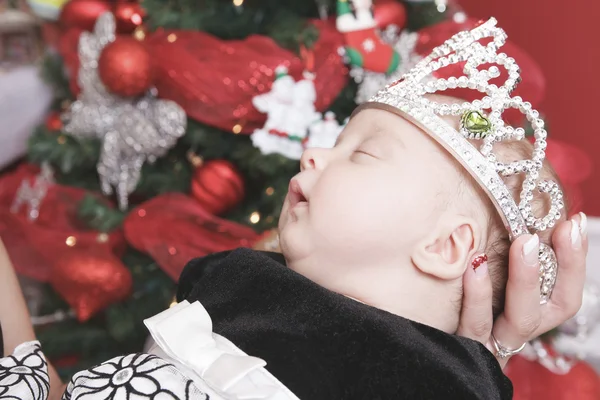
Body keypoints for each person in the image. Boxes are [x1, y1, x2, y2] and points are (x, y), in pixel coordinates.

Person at [0, 18, 589, 400]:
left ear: (444, 247)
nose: (312, 152)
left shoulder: (422, 382)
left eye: (362, 155)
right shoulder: (245, 285)